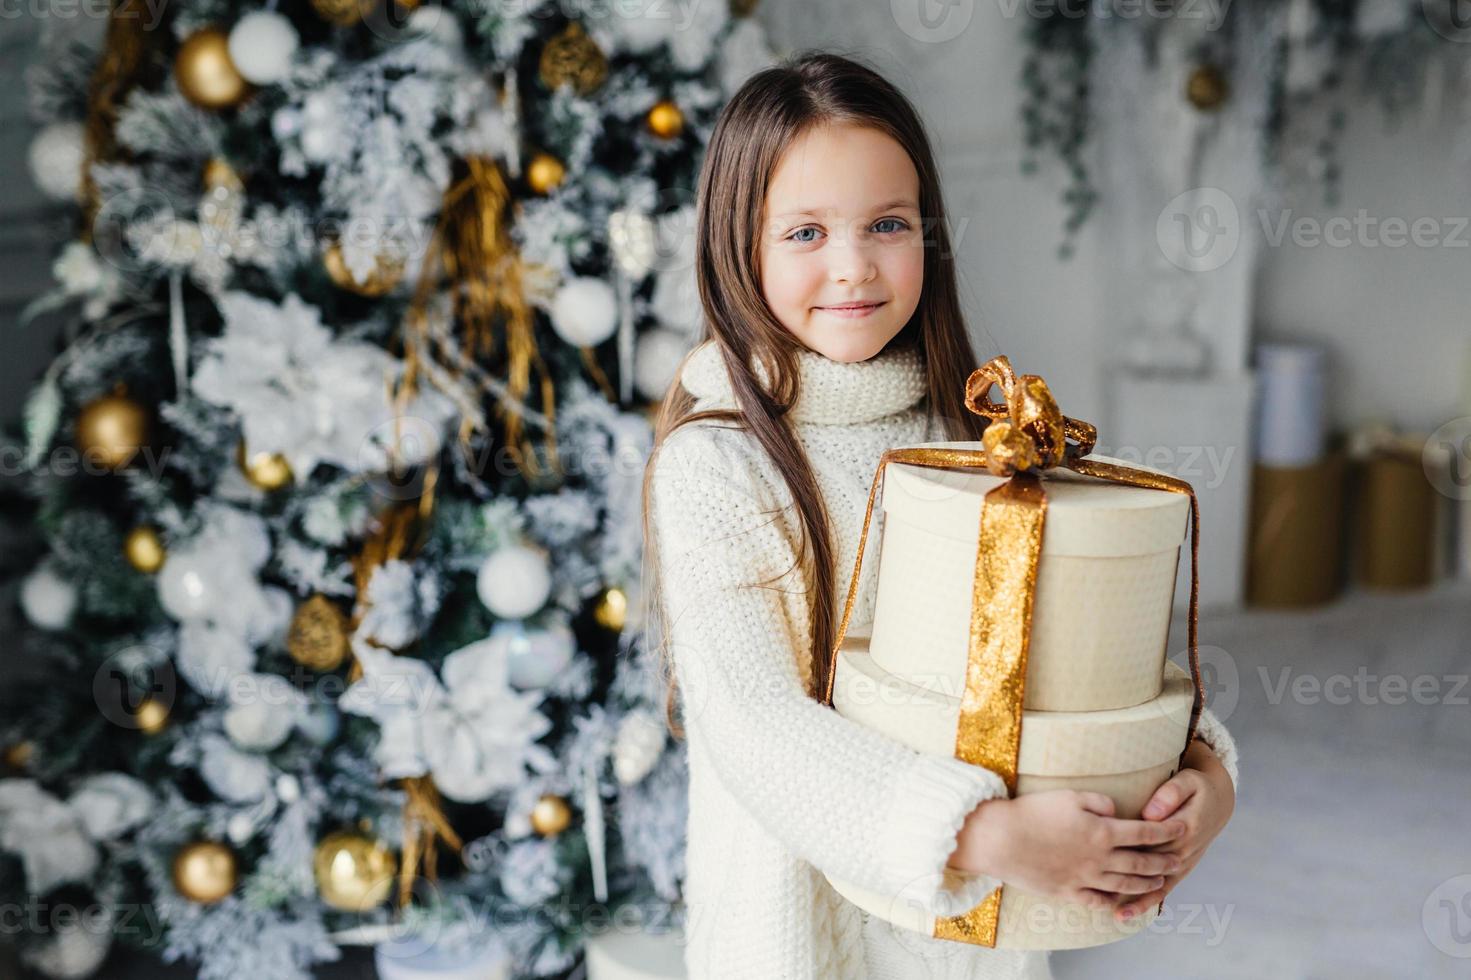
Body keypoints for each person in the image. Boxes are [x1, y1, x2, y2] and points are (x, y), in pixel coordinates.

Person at [638, 51, 1240, 980]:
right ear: (736, 245)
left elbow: (1080, 652)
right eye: (803, 232)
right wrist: (985, 834)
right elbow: (752, 723)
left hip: (975, 944)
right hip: (796, 934)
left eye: (887, 223)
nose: (852, 268)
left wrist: (1203, 770)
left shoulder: (984, 436)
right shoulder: (717, 461)